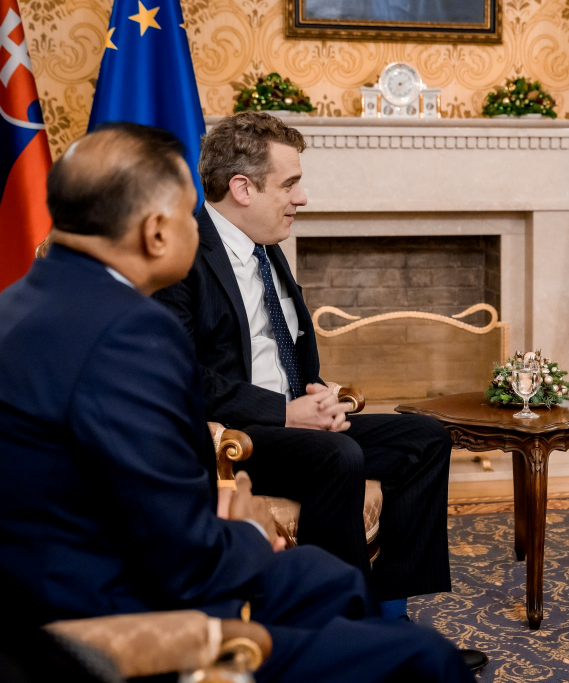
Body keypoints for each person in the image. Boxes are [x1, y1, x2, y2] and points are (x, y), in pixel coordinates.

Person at [0, 123, 474, 683]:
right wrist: (248, 530)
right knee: (426, 659)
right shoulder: (128, 333)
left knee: (334, 579)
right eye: (186, 214)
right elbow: (179, 555)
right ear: (156, 232)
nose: (195, 225)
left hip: (85, 569)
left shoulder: (19, 303)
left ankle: (373, 622)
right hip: (115, 615)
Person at [151, 111, 467, 640]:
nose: (302, 198)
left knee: (425, 439)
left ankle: (392, 616)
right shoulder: (181, 256)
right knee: (337, 456)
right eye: (290, 184)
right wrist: (284, 412)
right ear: (242, 188)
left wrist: (318, 396)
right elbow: (180, 378)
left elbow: (282, 343)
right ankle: (346, 628)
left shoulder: (265, 246)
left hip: (292, 423)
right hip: (233, 436)